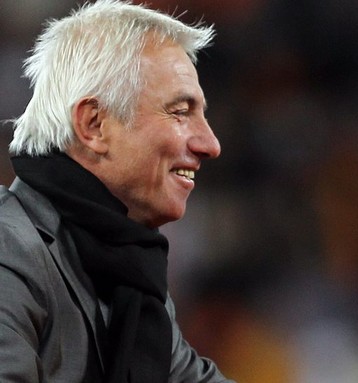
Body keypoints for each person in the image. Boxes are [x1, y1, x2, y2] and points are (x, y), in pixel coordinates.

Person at [0, 0, 235, 382]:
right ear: (94, 125)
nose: (210, 144)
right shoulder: (10, 250)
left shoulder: (130, 279)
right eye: (180, 111)